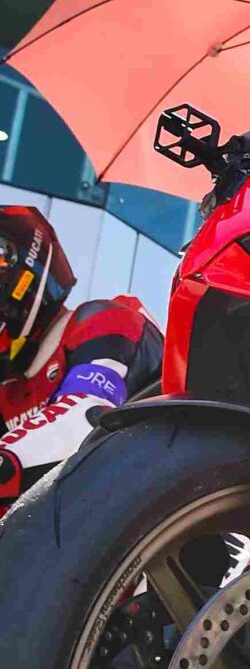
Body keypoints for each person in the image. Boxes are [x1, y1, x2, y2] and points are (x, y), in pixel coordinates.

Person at [0, 208, 160, 514]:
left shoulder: (102, 319)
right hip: (89, 526)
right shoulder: (7, 391)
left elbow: (87, 415)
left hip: (184, 509)